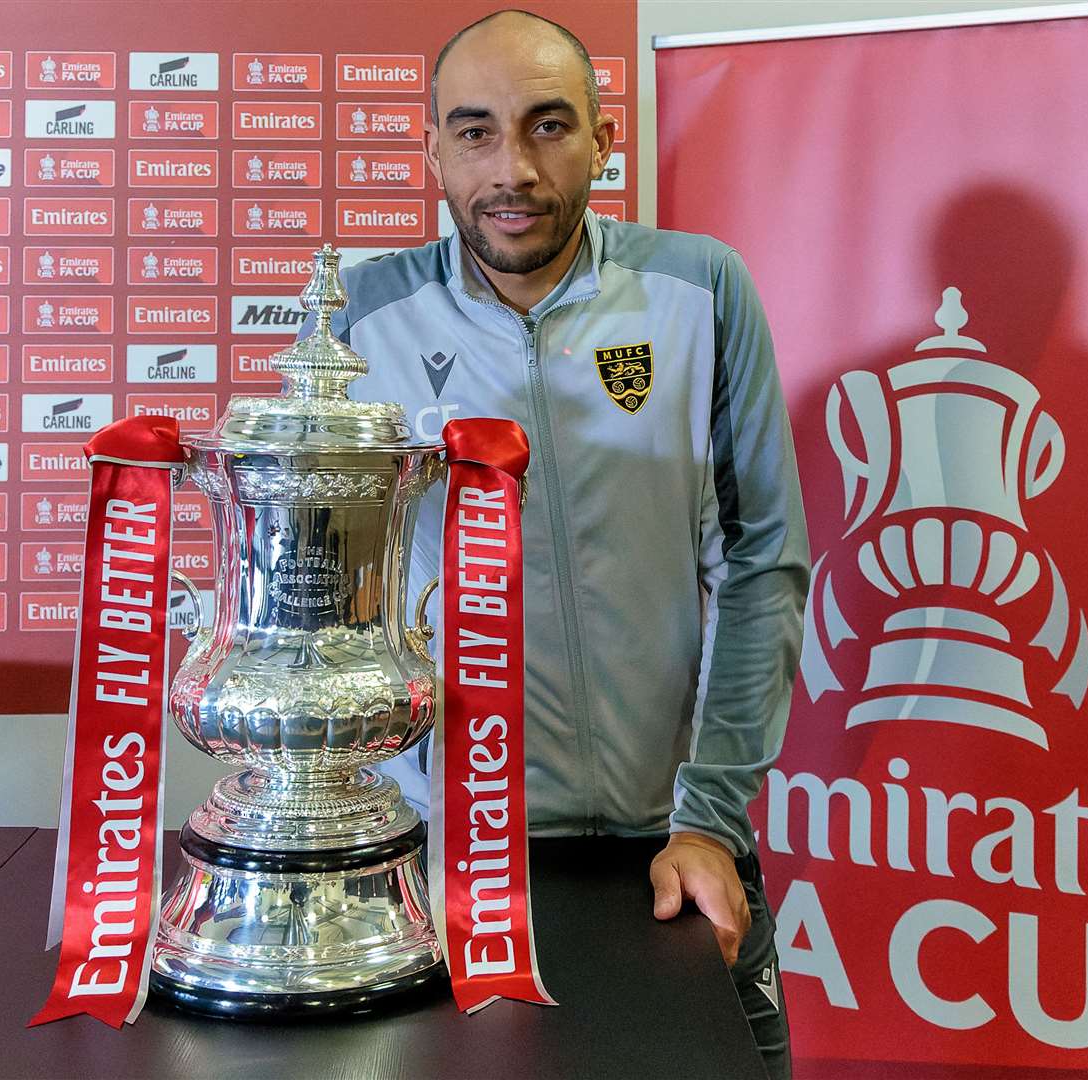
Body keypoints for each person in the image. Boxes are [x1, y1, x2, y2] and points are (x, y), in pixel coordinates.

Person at [296, 11, 808, 1078]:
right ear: (430, 147)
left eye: (548, 127)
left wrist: (710, 820)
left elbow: (762, 567)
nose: (512, 170)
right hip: (446, 861)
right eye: (474, 133)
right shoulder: (358, 316)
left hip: (667, 848)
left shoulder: (700, 289)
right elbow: (320, 613)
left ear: (602, 140)